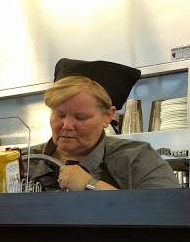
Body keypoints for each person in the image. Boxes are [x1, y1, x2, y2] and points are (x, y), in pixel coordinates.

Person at [28, 58, 179, 191]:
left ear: (107, 116)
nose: (67, 125)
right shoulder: (23, 162)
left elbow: (169, 210)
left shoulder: (137, 160)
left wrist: (90, 184)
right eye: (60, 115)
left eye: (80, 117)